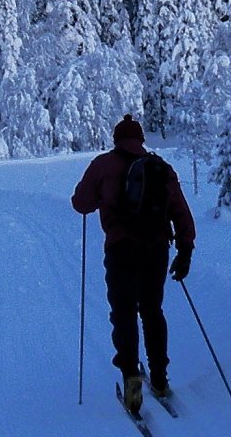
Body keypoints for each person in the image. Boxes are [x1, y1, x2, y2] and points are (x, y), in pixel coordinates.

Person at [72, 113, 196, 412]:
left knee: (124, 313)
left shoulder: (104, 164)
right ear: (141, 139)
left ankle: (131, 380)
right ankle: (161, 379)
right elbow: (181, 212)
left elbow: (81, 203)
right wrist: (185, 250)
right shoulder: (161, 168)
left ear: (116, 138)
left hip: (121, 249)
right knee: (152, 312)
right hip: (156, 250)